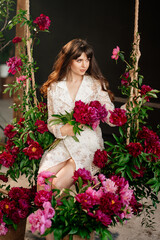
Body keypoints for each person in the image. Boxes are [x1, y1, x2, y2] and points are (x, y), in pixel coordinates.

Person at [38, 38, 115, 239]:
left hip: (87, 143)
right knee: (43, 181)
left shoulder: (94, 85)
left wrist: (128, 110)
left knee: (57, 184)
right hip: (64, 141)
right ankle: (54, 230)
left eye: (87, 59)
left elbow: (111, 117)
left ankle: (69, 229)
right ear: (68, 60)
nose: (84, 65)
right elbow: (51, 122)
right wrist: (64, 130)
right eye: (79, 60)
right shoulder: (55, 87)